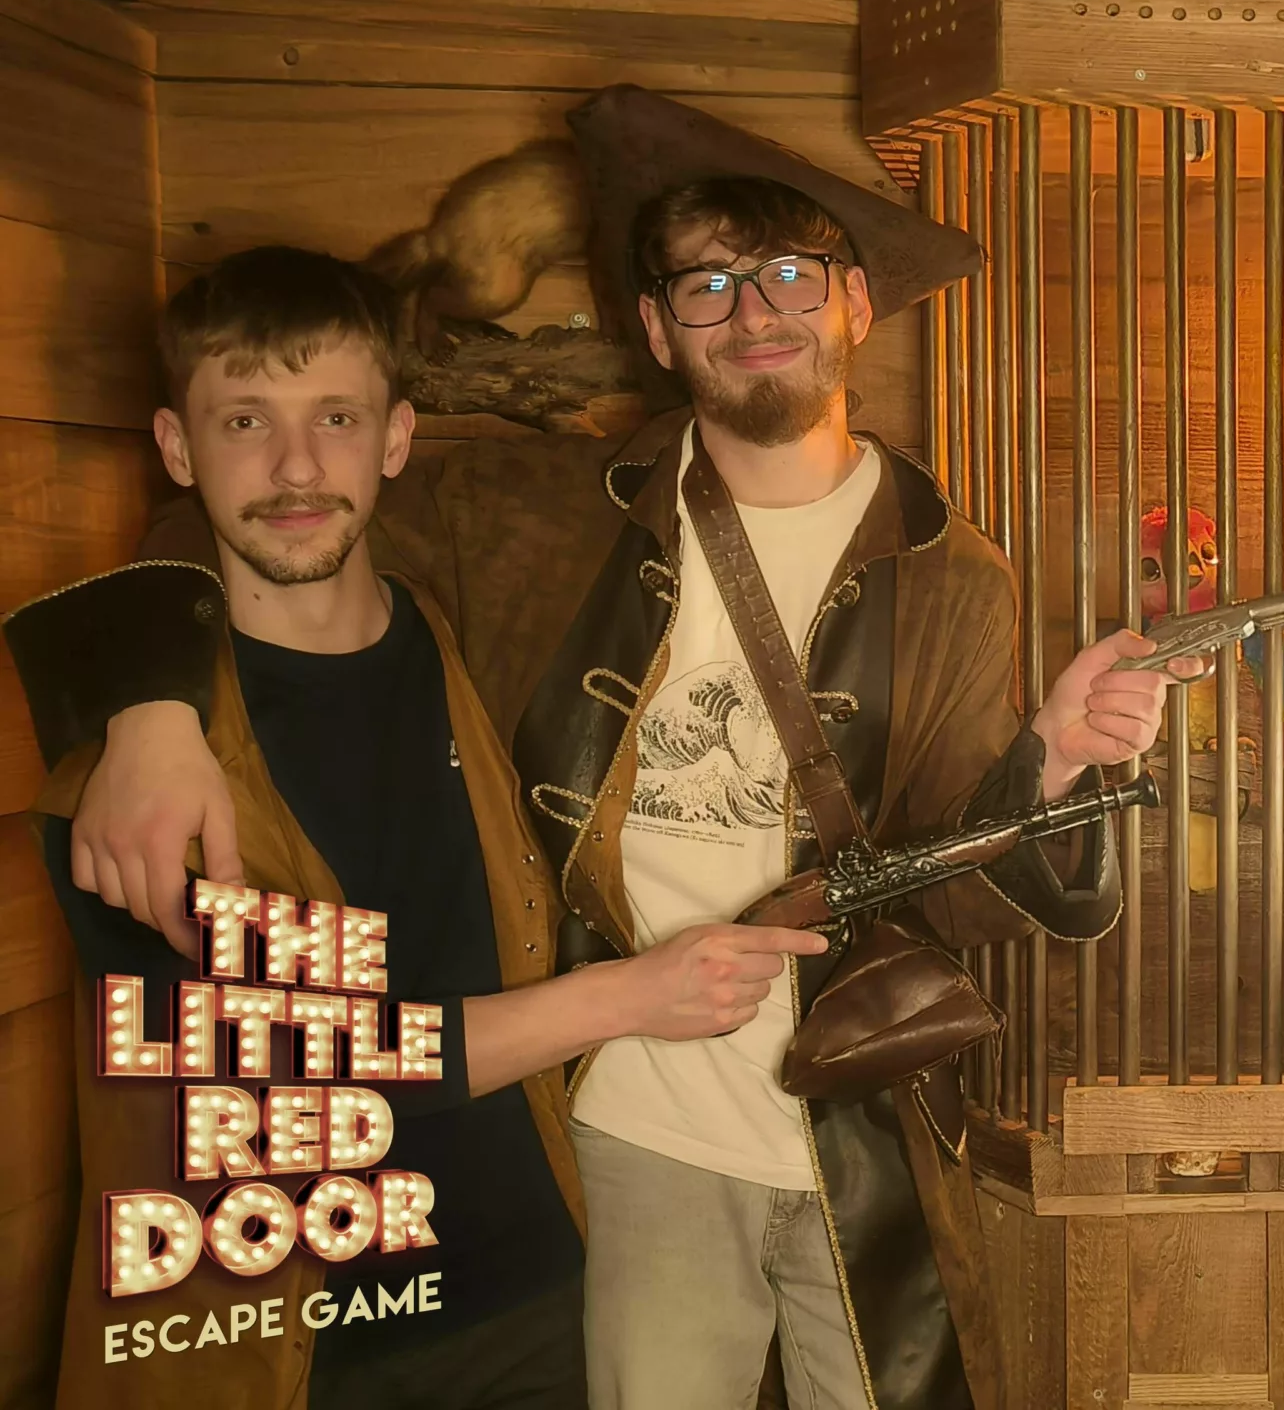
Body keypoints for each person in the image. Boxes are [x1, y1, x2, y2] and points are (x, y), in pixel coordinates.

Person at [17, 86, 1191, 1410]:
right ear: (655, 326)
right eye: (708, 285)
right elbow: (262, 513)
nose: (755, 314)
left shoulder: (954, 573)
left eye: (791, 274)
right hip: (618, 1130)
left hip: (860, 1120)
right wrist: (152, 705)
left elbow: (955, 898)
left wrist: (1049, 762)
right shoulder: (530, 512)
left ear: (856, 304)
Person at [7, 246, 820, 1408]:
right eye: (245, 421)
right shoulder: (126, 775)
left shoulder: (468, 640)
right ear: (178, 450)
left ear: (395, 439)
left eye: (335, 418)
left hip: (533, 1300)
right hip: (275, 1347)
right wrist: (630, 997)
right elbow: (286, 1076)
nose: (296, 467)